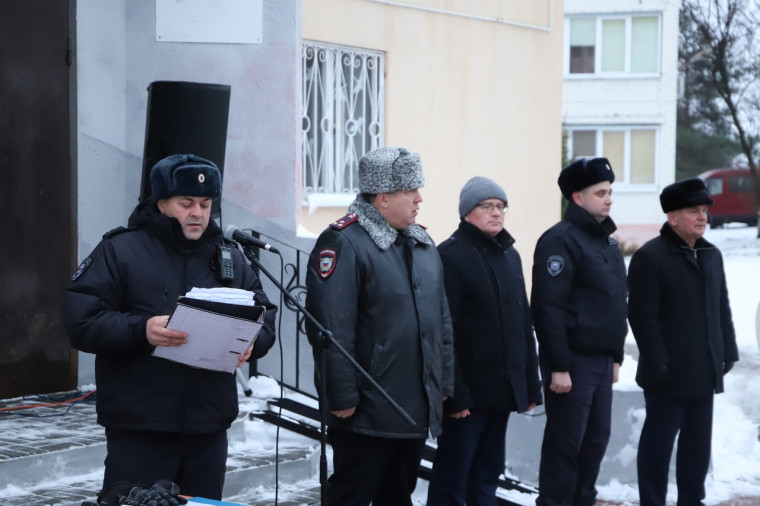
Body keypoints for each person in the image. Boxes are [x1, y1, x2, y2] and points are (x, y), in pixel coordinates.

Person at [62, 154, 277, 501]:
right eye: (187, 203)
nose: (198, 213)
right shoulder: (119, 250)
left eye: (206, 204)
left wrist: (252, 341)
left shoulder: (230, 256)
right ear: (161, 204)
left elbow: (264, 316)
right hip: (141, 427)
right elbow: (80, 322)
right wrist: (141, 330)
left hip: (207, 429)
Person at [305, 146, 455, 506]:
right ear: (382, 198)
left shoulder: (422, 242)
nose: (419, 199)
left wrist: (443, 383)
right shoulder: (344, 242)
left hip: (413, 406)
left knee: (398, 497)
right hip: (365, 411)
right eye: (410, 191)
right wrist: (341, 397)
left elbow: (442, 321)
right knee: (352, 497)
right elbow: (330, 327)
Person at [427, 177, 543, 505]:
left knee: (487, 476)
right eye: (487, 206)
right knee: (453, 478)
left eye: (500, 206)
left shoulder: (510, 256)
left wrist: (530, 387)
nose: (496, 213)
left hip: (501, 393)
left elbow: (523, 326)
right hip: (467, 398)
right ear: (467, 212)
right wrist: (454, 395)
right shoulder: (450, 255)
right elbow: (443, 331)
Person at [628, 178, 739, 506]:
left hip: (703, 372)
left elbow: (721, 306)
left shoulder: (711, 255)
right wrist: (658, 362)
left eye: (704, 210)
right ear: (672, 217)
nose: (703, 216)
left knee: (697, 448)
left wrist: (728, 350)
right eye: (694, 211)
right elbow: (641, 316)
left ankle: (692, 501)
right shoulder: (651, 257)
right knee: (658, 448)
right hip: (667, 375)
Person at [530, 157, 628, 506]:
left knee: (595, 443)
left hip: (601, 363)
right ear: (577, 197)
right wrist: (559, 365)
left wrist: (615, 356)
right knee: (565, 447)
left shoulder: (606, 242)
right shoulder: (560, 241)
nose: (609, 199)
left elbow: (616, 301)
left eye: (610, 192)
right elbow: (548, 307)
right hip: (572, 364)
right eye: (600, 193)